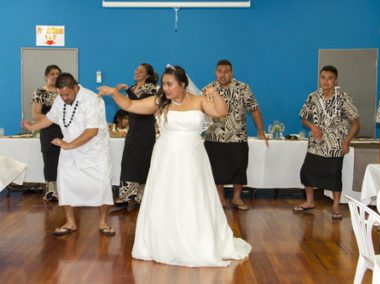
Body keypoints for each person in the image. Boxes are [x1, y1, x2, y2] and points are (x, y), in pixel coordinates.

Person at [98, 65, 251, 267]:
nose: (166, 88)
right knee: (167, 196)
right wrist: (113, 93)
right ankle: (165, 243)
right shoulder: (159, 102)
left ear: (183, 84)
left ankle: (196, 242)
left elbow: (221, 112)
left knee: (191, 197)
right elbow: (130, 105)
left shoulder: (198, 100)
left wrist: (214, 93)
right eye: (164, 84)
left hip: (193, 158)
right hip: (166, 157)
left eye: (170, 84)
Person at [22, 73, 115, 236]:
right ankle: (70, 222)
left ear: (75, 87)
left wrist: (69, 144)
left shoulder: (92, 100)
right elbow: (50, 118)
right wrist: (33, 127)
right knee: (65, 185)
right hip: (70, 148)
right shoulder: (60, 99)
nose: (64, 98)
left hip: (95, 150)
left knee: (102, 186)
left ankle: (103, 223)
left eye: (67, 94)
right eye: (61, 94)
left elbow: (92, 131)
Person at [293, 65, 360, 219]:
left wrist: (347, 141)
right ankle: (309, 201)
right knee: (307, 172)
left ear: (335, 80)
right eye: (323, 78)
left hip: (336, 144)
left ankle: (335, 206)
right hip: (316, 143)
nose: (326, 81)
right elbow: (304, 117)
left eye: (330, 78)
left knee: (334, 175)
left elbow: (356, 123)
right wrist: (313, 126)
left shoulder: (343, 97)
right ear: (319, 78)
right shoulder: (313, 96)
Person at [202, 59, 268, 211]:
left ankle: (237, 197)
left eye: (226, 71)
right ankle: (221, 198)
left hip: (237, 136)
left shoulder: (243, 88)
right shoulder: (208, 89)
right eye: (219, 71)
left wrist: (261, 131)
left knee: (239, 167)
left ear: (231, 72)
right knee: (216, 169)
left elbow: (254, 109)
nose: (223, 75)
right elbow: (200, 112)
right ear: (215, 72)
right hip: (214, 137)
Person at [113, 63, 158, 205]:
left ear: (148, 75)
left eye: (141, 71)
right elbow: (128, 106)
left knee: (142, 163)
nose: (136, 72)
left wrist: (127, 91)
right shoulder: (132, 88)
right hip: (133, 129)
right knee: (128, 162)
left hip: (145, 130)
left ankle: (139, 197)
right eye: (136, 70)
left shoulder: (150, 89)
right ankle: (127, 195)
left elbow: (141, 104)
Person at [32, 65, 63, 201]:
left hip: (66, 132)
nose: (55, 76)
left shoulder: (64, 91)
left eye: (58, 74)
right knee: (50, 161)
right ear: (46, 76)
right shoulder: (40, 92)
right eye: (52, 74)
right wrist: (54, 120)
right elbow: (35, 114)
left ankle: (66, 189)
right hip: (48, 131)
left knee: (67, 160)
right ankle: (51, 191)